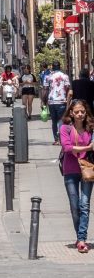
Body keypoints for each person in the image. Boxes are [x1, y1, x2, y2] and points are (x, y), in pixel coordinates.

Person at [59, 99, 94, 253]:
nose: (80, 114)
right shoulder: (65, 128)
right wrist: (87, 147)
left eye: (82, 112)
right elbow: (67, 148)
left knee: (84, 205)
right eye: (77, 112)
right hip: (70, 170)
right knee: (75, 207)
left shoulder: (91, 129)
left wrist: (78, 149)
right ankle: (80, 236)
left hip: (87, 169)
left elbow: (74, 149)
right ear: (71, 113)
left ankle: (81, 239)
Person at [44, 60, 70, 145]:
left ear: (52, 67)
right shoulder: (65, 76)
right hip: (62, 101)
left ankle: (56, 139)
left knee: (54, 121)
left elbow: (45, 90)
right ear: (60, 67)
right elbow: (68, 88)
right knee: (61, 121)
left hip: (51, 101)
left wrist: (43, 101)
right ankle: (62, 139)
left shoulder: (48, 77)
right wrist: (68, 100)